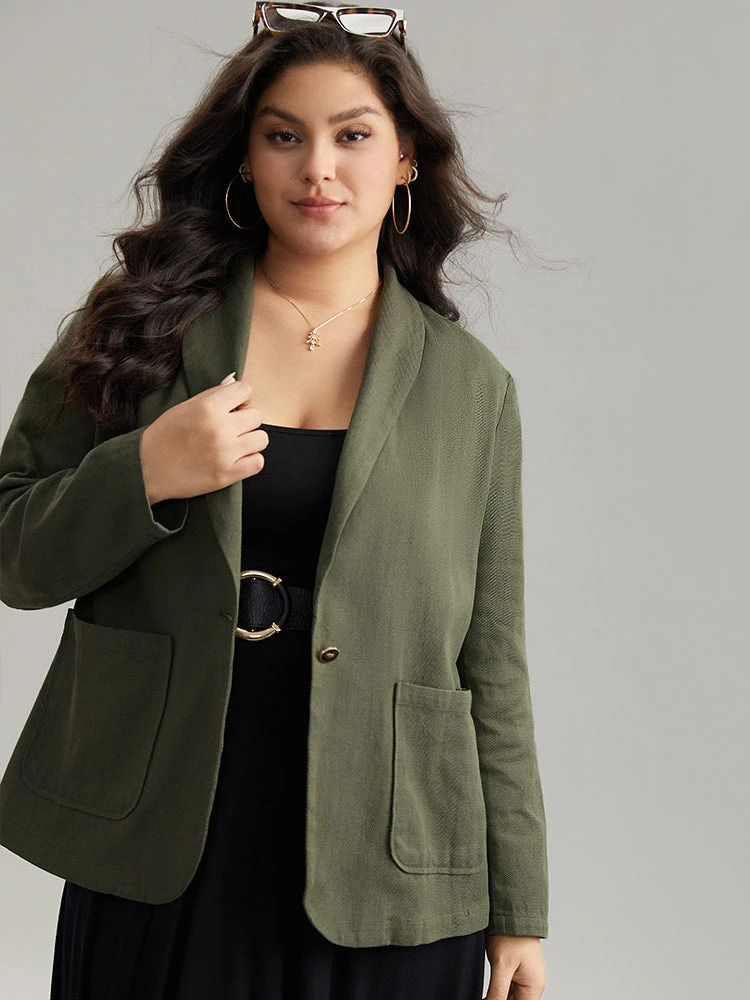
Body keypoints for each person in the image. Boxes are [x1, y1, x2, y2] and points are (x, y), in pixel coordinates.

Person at [0, 5, 549, 998]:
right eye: (284, 136)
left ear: (407, 159)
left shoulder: (472, 390)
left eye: (353, 136)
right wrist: (145, 471)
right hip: (166, 837)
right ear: (245, 160)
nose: (318, 170)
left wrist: (520, 911)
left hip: (389, 861)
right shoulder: (140, 330)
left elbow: (493, 661)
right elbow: (12, 551)